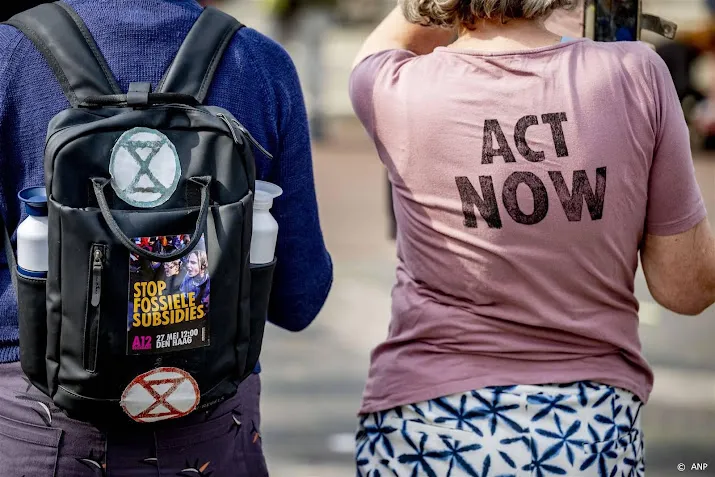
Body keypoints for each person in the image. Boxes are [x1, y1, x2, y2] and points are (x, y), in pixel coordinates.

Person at [350, 1, 714, 475]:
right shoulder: (637, 74)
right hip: (585, 434)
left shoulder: (391, 87)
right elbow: (684, 288)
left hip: (424, 431)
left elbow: (394, 37)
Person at [0, 0, 333, 475]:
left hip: (41, 429)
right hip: (211, 433)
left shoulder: (9, 56)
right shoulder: (258, 62)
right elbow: (301, 299)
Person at [266, 0, 338, 141]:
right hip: (298, 7)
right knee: (310, 56)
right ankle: (312, 114)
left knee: (307, 56)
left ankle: (311, 114)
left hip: (309, 7)